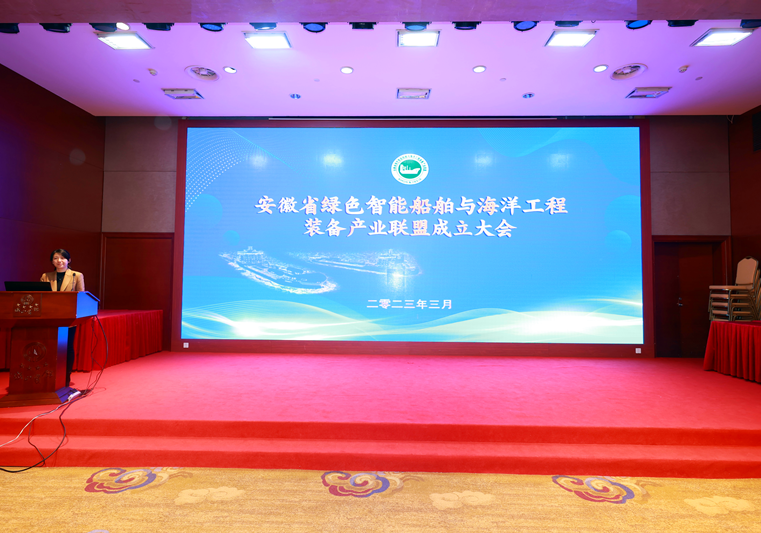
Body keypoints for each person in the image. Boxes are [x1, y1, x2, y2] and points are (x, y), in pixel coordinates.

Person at [40, 248, 85, 388]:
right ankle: (49, 375)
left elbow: (81, 296)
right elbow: (41, 296)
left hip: (68, 317)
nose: (59, 261)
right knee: (50, 347)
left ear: (68, 260)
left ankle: (66, 377)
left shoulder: (76, 275)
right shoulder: (46, 276)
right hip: (50, 317)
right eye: (55, 258)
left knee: (67, 347)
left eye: (62, 258)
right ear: (52, 261)